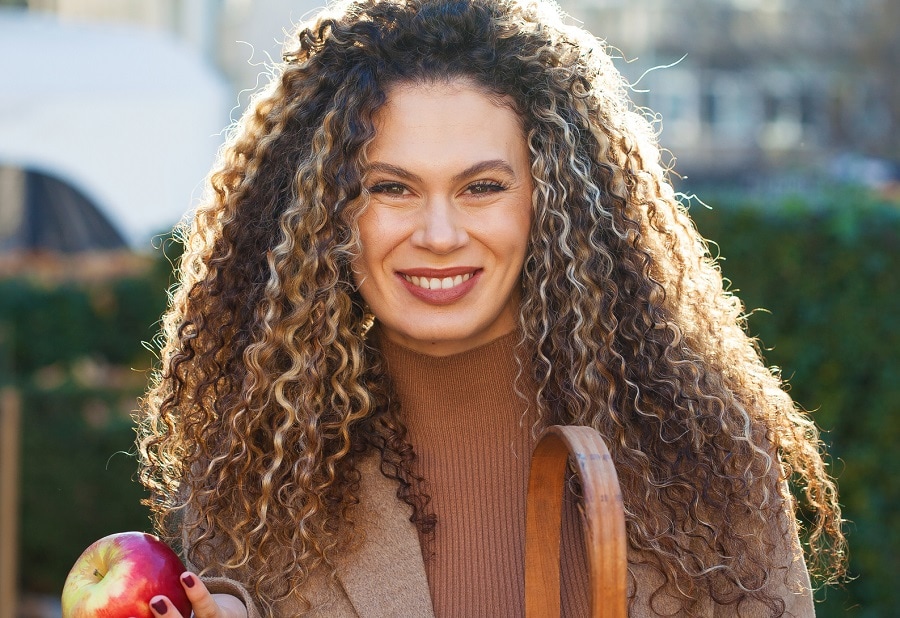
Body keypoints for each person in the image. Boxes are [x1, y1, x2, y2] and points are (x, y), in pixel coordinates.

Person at [136, 0, 846, 615]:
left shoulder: (699, 454)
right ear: (324, 211)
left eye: (482, 187)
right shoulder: (258, 471)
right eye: (390, 188)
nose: (439, 235)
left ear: (552, 200)